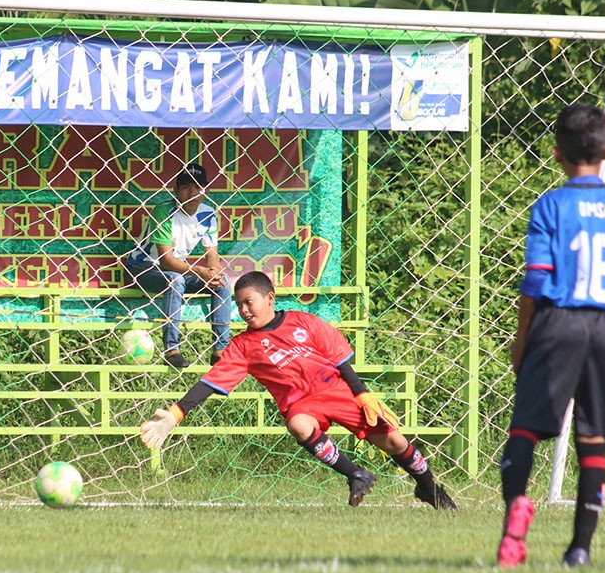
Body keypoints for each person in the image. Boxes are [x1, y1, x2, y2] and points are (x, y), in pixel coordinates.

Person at [139, 270, 457, 510]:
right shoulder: (243, 346)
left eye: (249, 302)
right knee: (298, 425)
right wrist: (174, 415)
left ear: (270, 299)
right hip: (302, 404)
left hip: (337, 390)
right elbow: (209, 382)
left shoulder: (302, 321)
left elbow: (338, 356)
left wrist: (360, 392)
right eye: (238, 306)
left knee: (394, 441)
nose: (244, 310)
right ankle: (356, 474)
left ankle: (428, 488)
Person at [497, 103, 605, 569]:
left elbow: (535, 277)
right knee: (593, 438)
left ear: (555, 155)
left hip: (556, 322)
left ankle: (515, 521)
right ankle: (580, 549)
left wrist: (522, 336)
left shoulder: (550, 205)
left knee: (525, 426)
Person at [124, 162, 231, 369]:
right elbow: (166, 260)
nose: (192, 192)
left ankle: (220, 350)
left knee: (223, 281)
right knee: (175, 279)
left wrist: (214, 272)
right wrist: (200, 271)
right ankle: (171, 349)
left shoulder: (208, 213)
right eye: (186, 187)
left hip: (178, 272)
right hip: (142, 268)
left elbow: (212, 255)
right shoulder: (164, 211)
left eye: (197, 187)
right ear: (176, 190)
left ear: (204, 190)